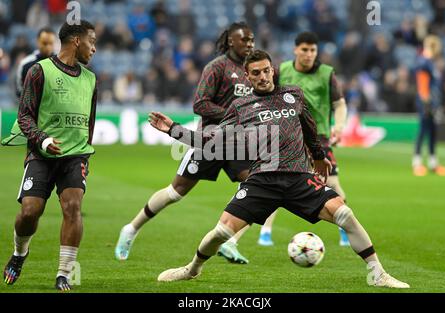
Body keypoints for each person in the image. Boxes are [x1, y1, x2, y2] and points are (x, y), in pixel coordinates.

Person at [149, 50, 409, 289]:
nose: (262, 77)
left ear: (272, 70)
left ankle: (377, 273)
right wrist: (174, 130)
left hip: (299, 178)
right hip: (262, 180)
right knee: (222, 232)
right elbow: (210, 140)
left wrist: (319, 157)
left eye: (266, 71)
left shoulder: (293, 94)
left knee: (346, 215)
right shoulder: (240, 107)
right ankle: (192, 269)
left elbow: (309, 128)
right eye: (256, 73)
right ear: (248, 77)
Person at [115, 22, 255, 264]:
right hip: (210, 140)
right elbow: (200, 104)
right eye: (245, 40)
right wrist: (233, 116)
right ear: (232, 41)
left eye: (252, 40)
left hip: (238, 144)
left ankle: (230, 242)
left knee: (259, 188)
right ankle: (131, 228)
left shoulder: (252, 70)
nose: (250, 44)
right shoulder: (217, 67)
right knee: (175, 192)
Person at [3, 20, 98, 291]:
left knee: (72, 207)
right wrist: (41, 140)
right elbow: (24, 117)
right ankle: (20, 253)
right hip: (42, 155)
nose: (94, 48)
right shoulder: (39, 71)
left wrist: (84, 156)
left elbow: (89, 124)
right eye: (92, 42)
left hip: (75, 156)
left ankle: (63, 274)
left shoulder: (91, 79)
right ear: (77, 41)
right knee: (30, 212)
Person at [258, 31, 350, 247]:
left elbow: (340, 104)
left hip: (319, 139)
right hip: (289, 137)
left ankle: (345, 227)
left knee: (333, 184)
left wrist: (339, 125)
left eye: (313, 50)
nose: (309, 54)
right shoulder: (283, 71)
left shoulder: (327, 74)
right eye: (305, 50)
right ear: (295, 50)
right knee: (278, 181)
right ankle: (265, 231)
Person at [412, 35, 445, 176]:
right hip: (426, 102)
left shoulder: (429, 62)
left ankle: (433, 163)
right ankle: (417, 163)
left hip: (432, 101)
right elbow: (422, 83)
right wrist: (425, 101)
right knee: (423, 130)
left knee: (433, 131)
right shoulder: (424, 62)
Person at [16, 27, 56, 98]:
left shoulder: (62, 63)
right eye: (44, 43)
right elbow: (19, 90)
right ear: (37, 41)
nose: (48, 47)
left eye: (51, 43)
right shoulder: (26, 64)